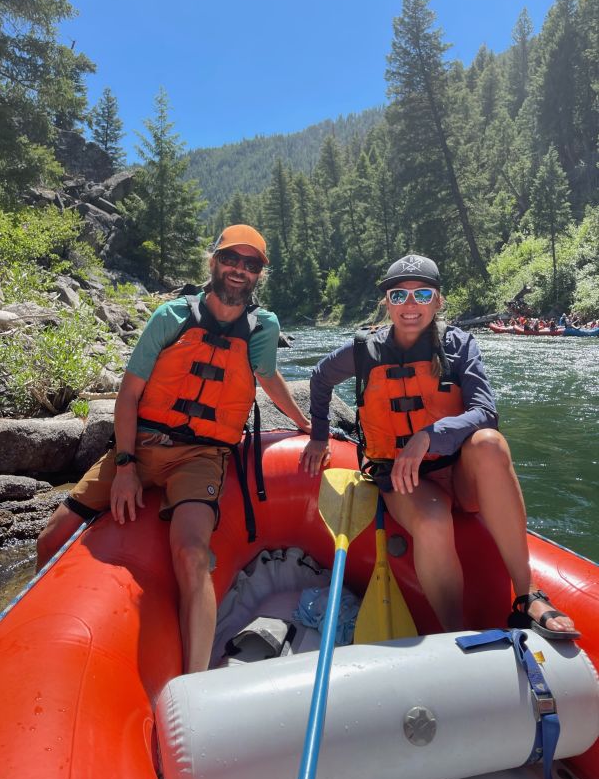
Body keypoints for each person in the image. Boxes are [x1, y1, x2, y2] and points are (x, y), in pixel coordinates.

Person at [36, 224, 312, 673]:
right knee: (52, 536)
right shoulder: (171, 316)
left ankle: (196, 679)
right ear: (214, 262)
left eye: (251, 263)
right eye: (231, 259)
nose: (239, 269)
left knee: (192, 552)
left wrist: (306, 425)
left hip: (202, 457)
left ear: (260, 273)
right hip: (140, 447)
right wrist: (124, 465)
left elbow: (267, 376)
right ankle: (48, 647)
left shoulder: (264, 327)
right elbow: (128, 396)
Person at [300, 254, 578, 640]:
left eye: (422, 294)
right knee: (432, 519)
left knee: (490, 444)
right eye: (399, 296)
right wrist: (318, 434)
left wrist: (430, 434)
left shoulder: (458, 345)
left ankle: (527, 594)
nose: (410, 306)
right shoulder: (364, 351)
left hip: (458, 473)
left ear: (438, 301)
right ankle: (455, 633)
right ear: (387, 303)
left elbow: (486, 412)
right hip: (405, 480)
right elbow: (319, 378)